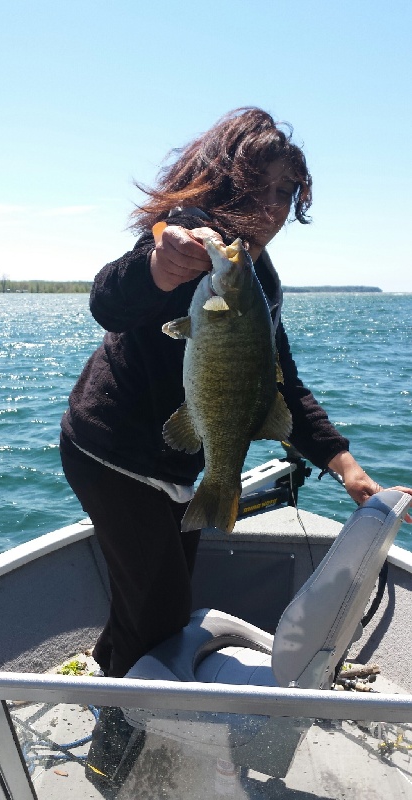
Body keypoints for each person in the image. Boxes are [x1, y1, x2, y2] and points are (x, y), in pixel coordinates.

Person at [60, 107, 411, 682]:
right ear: (224, 180)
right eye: (260, 186)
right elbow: (109, 302)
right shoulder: (185, 237)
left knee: (153, 598)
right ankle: (118, 741)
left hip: (181, 463)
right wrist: (159, 266)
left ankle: (109, 670)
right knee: (162, 611)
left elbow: (279, 384)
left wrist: (345, 465)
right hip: (111, 453)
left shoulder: (258, 277)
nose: (274, 207)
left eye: (287, 191)